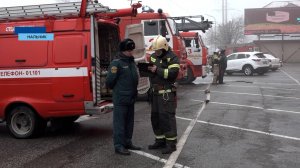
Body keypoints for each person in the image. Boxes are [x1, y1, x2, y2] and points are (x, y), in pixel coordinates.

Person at [106, 38, 141, 156]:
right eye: (129, 51)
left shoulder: (131, 62)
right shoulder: (116, 63)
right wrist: (119, 91)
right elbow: (109, 81)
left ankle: (127, 142)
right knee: (120, 123)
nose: (131, 52)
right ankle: (119, 146)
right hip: (121, 98)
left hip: (131, 97)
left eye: (132, 50)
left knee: (129, 122)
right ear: (123, 51)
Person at [147, 35, 180, 154]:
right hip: (155, 94)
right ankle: (160, 140)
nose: (156, 52)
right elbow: (151, 71)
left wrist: (157, 70)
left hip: (166, 94)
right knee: (155, 118)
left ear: (165, 47)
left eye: (158, 50)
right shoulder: (153, 57)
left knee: (167, 118)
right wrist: (145, 70)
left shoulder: (172, 58)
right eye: (155, 50)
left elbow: (172, 74)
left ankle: (171, 144)